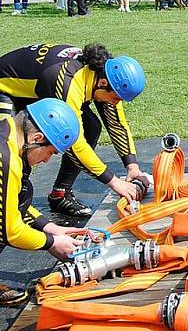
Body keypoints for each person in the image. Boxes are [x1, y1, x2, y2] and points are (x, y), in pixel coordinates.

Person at [0, 43, 148, 217]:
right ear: (102, 83)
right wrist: (114, 182)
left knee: (91, 127)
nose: (116, 103)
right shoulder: (68, 81)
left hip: (36, 88)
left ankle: (60, 195)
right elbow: (74, 143)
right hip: (5, 89)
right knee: (12, 147)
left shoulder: (101, 76)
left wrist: (132, 166)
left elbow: (117, 124)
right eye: (116, 98)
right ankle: (13, 209)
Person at [0, 98, 85, 304]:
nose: (47, 160)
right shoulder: (6, 161)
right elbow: (11, 231)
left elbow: (14, 202)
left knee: (24, 190)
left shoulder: (9, 132)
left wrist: (50, 228)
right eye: (50, 152)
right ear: (37, 138)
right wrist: (52, 243)